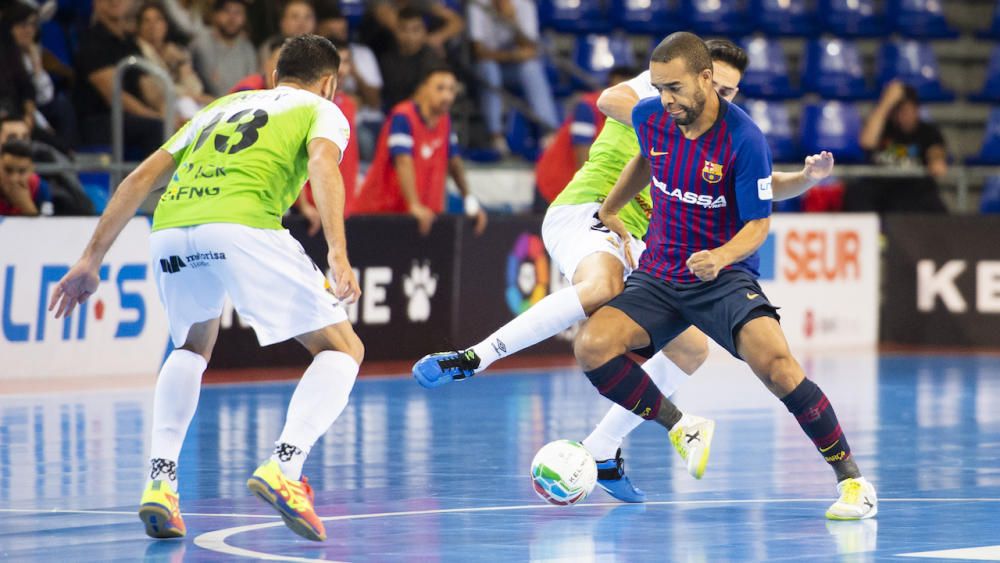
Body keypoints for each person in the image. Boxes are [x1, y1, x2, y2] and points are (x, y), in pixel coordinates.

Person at [413, 39, 836, 503]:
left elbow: (758, 184)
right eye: (717, 86)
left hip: (641, 234)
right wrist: (660, 119)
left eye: (733, 93)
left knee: (691, 349)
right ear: (700, 75)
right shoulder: (664, 97)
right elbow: (607, 100)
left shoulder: (724, 129)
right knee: (602, 287)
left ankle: (602, 447)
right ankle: (475, 358)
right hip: (591, 207)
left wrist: (805, 179)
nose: (724, 97)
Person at [50, 35, 363, 542]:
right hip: (243, 225)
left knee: (191, 346)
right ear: (329, 81)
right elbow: (324, 166)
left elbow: (140, 178)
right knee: (344, 348)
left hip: (172, 224)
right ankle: (286, 465)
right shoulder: (322, 109)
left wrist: (91, 259)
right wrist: (338, 253)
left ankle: (160, 482)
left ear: (273, 73)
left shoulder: (222, 105)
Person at [574, 32, 876, 520]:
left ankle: (854, 482)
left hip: (722, 276)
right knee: (592, 346)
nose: (665, 98)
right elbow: (643, 160)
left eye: (674, 87)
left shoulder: (744, 138)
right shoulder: (652, 115)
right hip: (660, 274)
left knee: (778, 367)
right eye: (658, 87)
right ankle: (681, 425)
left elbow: (758, 223)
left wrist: (720, 256)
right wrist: (611, 208)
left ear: (706, 79)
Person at [349, 64, 487, 235]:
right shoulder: (403, 117)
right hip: (381, 215)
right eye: (440, 88)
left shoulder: (445, 121)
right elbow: (403, 161)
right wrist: (414, 204)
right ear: (422, 89)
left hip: (423, 218)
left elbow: (454, 162)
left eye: (452, 90)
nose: (447, 96)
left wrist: (470, 201)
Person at [74, 0, 165, 157]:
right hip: (100, 121)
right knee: (157, 127)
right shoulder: (91, 42)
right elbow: (116, 96)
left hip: (133, 119)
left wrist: (169, 114)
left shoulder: (130, 43)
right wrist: (158, 118)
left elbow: (149, 89)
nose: (115, 1)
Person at [468, 0, 559, 156]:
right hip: (487, 68)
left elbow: (531, 49)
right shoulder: (477, 5)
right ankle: (495, 135)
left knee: (531, 68)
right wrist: (512, 55)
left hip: (513, 69)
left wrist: (512, 21)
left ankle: (550, 132)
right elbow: (478, 52)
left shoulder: (524, 5)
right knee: (489, 68)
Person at [534, 66, 635, 204]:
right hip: (556, 183)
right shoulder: (588, 107)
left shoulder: (627, 113)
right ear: (614, 82)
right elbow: (582, 153)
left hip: (579, 190)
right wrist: (591, 195)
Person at [850, 80, 948, 213]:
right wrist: (885, 103)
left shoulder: (927, 131)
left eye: (909, 110)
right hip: (882, 191)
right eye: (901, 110)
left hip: (915, 191)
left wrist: (936, 160)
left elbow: (936, 151)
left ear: (917, 110)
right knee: (856, 193)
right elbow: (866, 142)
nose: (906, 115)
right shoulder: (883, 129)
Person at [136, 1, 213, 119]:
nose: (153, 26)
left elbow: (195, 87)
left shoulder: (176, 50)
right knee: (186, 104)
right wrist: (197, 97)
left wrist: (181, 63)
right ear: (139, 26)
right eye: (147, 21)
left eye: (158, 20)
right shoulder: (137, 53)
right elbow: (160, 91)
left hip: (193, 101)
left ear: (166, 24)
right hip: (165, 109)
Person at [376, 6, 444, 112]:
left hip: (425, 114)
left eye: (415, 30)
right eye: (404, 29)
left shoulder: (432, 59)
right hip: (393, 113)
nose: (409, 36)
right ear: (396, 31)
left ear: (424, 32)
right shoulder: (386, 60)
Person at [190, 0, 257, 96]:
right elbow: (215, 88)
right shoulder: (201, 44)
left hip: (240, 105)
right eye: (226, 11)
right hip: (207, 105)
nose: (232, 18)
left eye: (238, 13)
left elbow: (251, 87)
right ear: (215, 14)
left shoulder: (248, 48)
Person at [360, 0, 464, 58]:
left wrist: (438, 38)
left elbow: (457, 22)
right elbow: (400, 29)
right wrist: (427, 42)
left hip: (413, 54)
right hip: (378, 54)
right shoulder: (378, 2)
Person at [0, 138, 52, 216]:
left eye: (22, 171)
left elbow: (47, 225)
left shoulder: (40, 188)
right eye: (8, 170)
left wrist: (28, 207)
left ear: (31, 169)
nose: (14, 179)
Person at [258, 0, 315, 66]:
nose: (302, 23)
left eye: (308, 17)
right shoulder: (270, 49)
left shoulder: (323, 49)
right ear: (282, 22)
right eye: (295, 17)